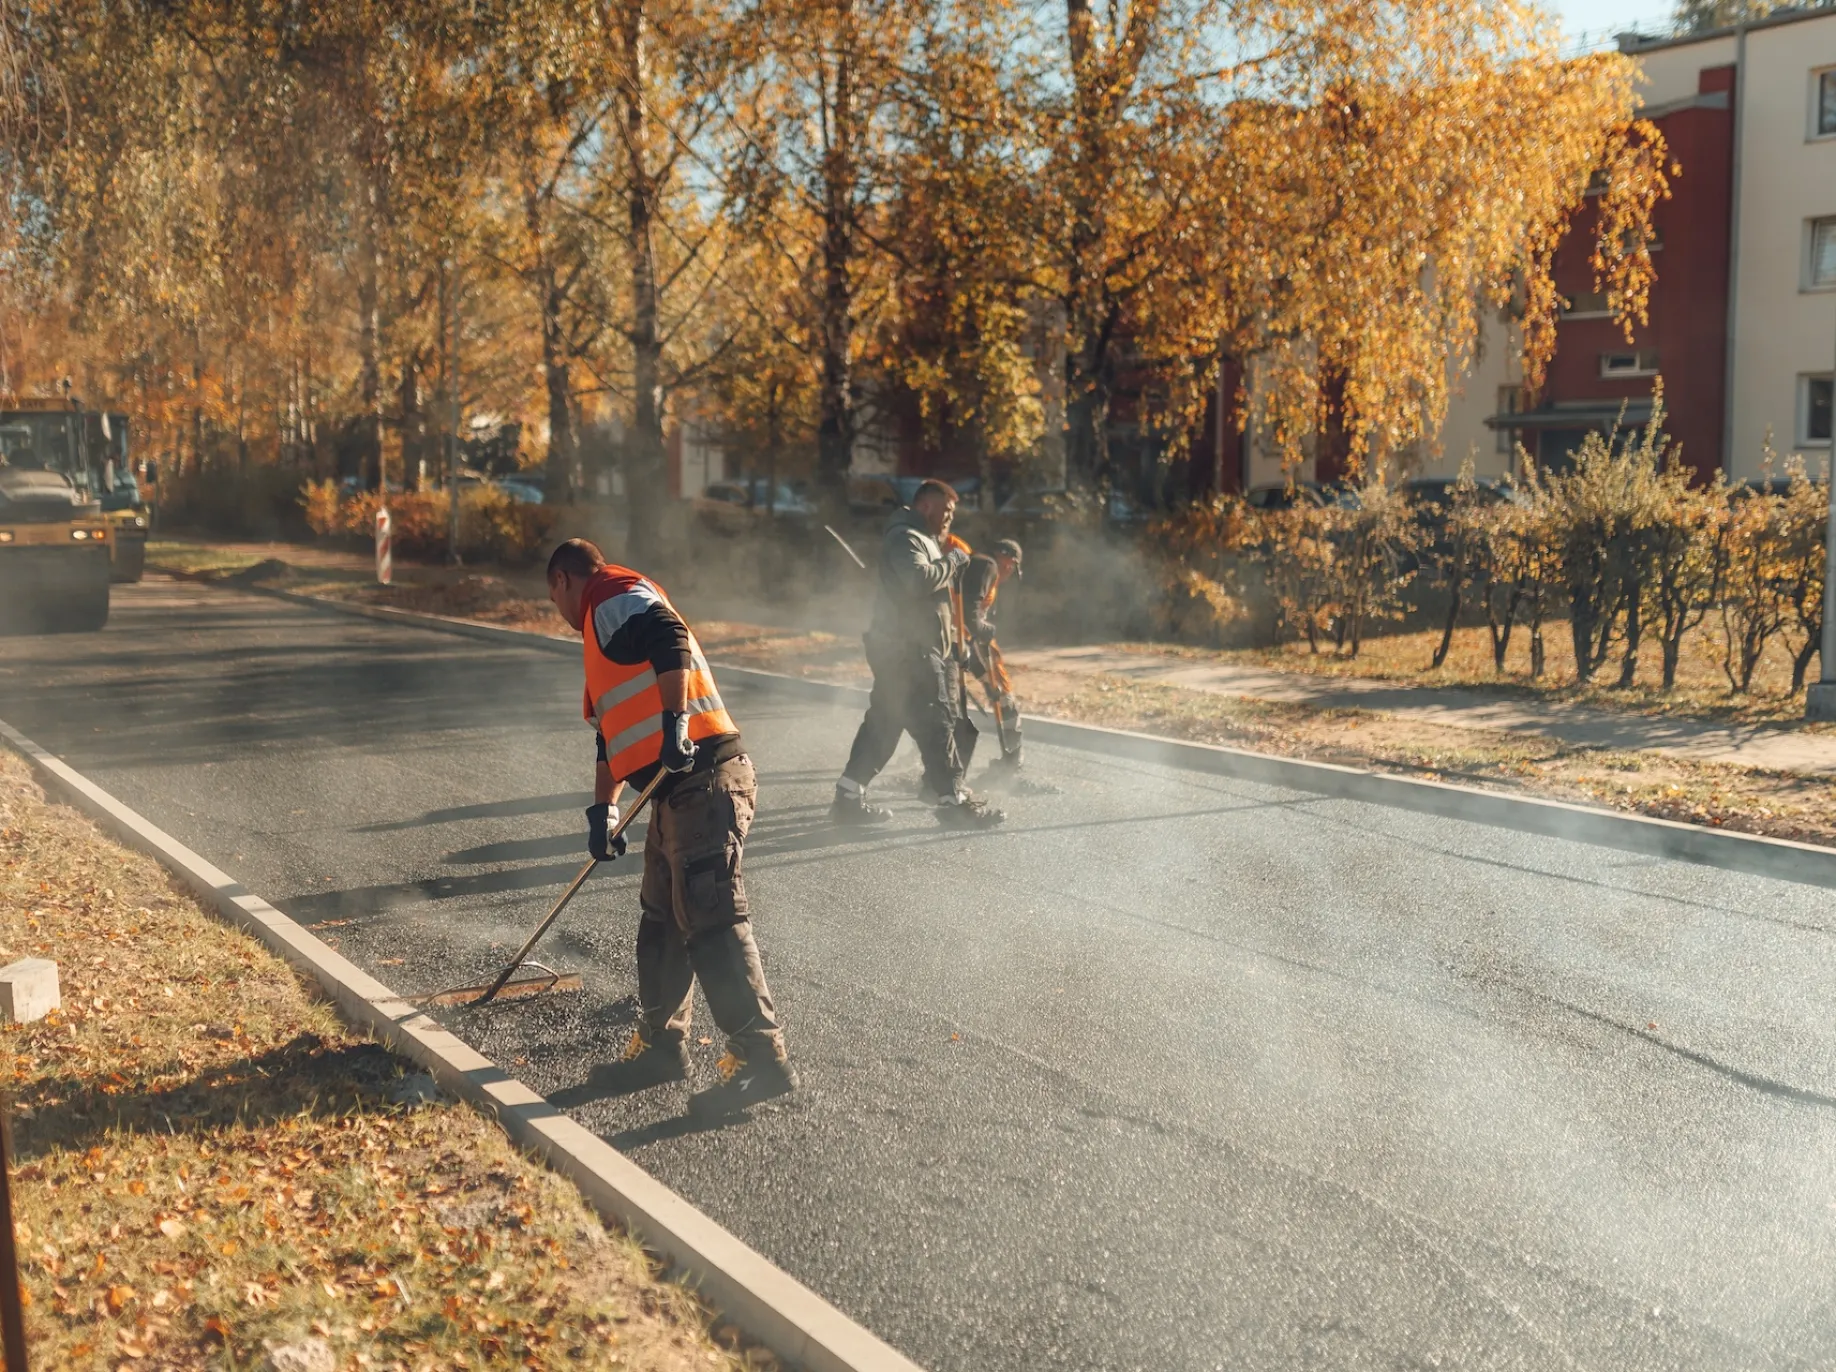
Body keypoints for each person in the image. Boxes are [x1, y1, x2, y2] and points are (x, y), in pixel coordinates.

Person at [546, 538, 797, 1115]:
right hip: (670, 793)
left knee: (710, 920)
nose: (557, 610)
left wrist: (675, 724)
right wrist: (603, 810)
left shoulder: (608, 596)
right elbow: (610, 736)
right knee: (661, 922)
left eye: (552, 597)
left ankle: (762, 1058)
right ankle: (662, 1048)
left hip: (705, 778)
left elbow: (670, 637)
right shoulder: (600, 633)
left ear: (562, 580)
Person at [830, 479, 1005, 829]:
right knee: (937, 724)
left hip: (905, 648)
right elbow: (916, 581)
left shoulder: (918, 538)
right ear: (926, 505)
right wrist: (953, 562)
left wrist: (955, 648)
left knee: (884, 723)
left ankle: (847, 797)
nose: (949, 519)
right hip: (908, 652)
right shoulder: (907, 538)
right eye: (947, 511)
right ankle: (953, 803)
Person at [960, 538, 1024, 773]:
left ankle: (934, 768)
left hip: (961, 642)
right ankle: (1011, 765)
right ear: (1009, 561)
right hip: (963, 643)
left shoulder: (979, 564)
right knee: (1005, 698)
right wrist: (986, 630)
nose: (1009, 573)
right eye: (1012, 567)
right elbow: (971, 614)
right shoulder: (986, 566)